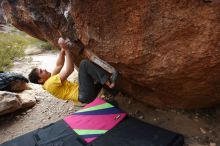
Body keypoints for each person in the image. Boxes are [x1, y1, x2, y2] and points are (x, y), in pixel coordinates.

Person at [28, 37, 115, 104]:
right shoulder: (50, 84)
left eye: (41, 69)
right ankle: (108, 82)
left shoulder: (49, 81)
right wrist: (66, 49)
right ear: (40, 80)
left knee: (95, 76)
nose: (44, 69)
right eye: (41, 72)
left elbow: (59, 65)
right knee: (84, 64)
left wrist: (62, 49)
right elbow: (69, 70)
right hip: (84, 94)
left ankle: (115, 92)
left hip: (85, 95)